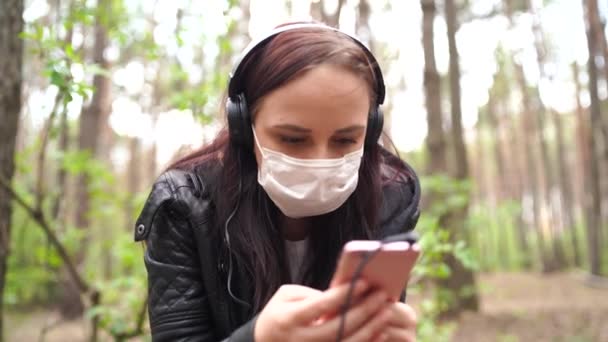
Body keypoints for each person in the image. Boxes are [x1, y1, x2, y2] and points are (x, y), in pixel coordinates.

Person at [134, 22, 421, 342]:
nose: (320, 161)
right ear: (243, 125)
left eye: (345, 140)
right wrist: (256, 338)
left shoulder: (389, 196)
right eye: (292, 139)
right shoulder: (184, 207)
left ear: (369, 133)